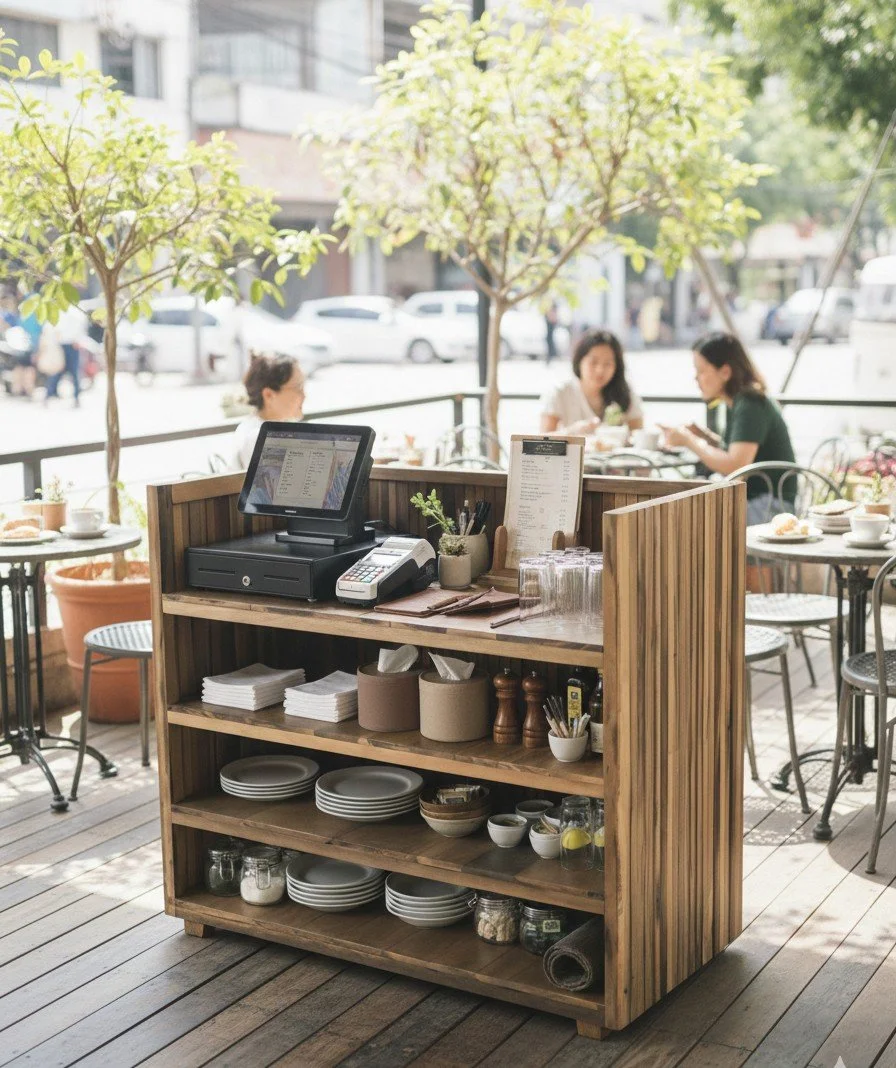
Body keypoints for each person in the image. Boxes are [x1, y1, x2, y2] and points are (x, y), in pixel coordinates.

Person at [660, 332, 796, 524]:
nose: (696, 378)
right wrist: (706, 438)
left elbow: (737, 466)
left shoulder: (750, 403)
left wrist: (689, 441)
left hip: (771, 507)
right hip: (755, 500)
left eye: (701, 371)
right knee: (680, 513)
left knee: (682, 519)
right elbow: (736, 454)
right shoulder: (737, 402)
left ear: (725, 372)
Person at [539, 328, 643, 435]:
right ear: (579, 361)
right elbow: (542, 442)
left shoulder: (625, 393)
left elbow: (639, 436)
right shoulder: (560, 392)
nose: (600, 370)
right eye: (593, 362)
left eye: (607, 364)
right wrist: (571, 432)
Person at [230, 352, 305, 470]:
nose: (304, 395)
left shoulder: (257, 429)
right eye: (298, 387)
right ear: (269, 395)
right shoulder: (257, 437)